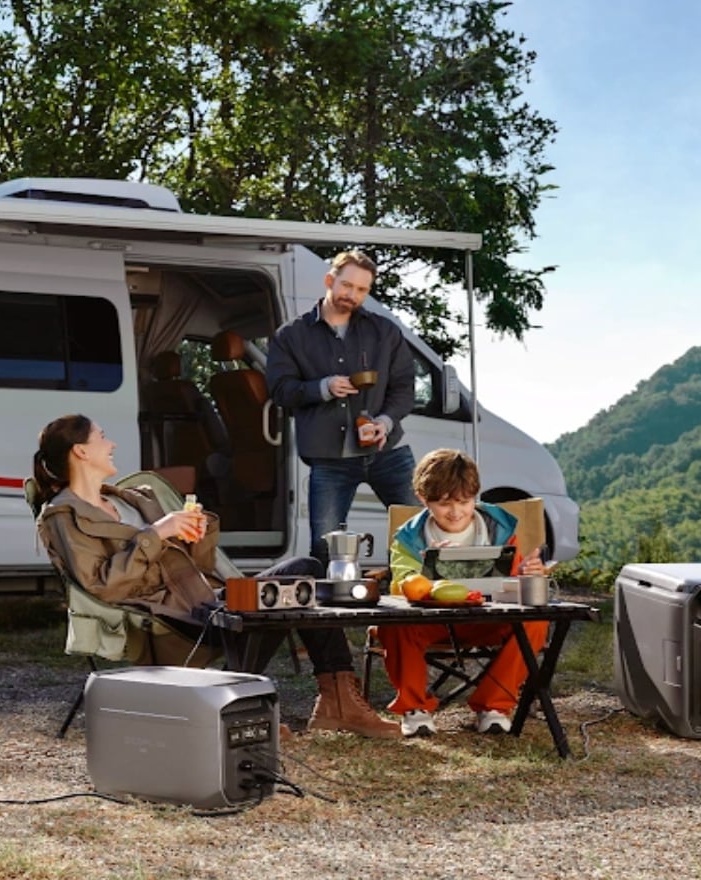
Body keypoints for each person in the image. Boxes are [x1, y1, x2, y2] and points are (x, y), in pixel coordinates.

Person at [32, 414, 398, 739]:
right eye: (102, 437)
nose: (111, 444)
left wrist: (195, 532)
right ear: (81, 451)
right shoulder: (64, 516)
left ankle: (336, 700)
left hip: (203, 598)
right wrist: (157, 533)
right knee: (263, 606)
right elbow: (103, 585)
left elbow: (200, 567)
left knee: (305, 570)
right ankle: (240, 706)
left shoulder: (129, 498)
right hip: (167, 617)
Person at [381, 448, 549, 737]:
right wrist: (430, 569)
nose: (456, 512)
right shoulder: (409, 537)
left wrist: (525, 573)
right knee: (394, 624)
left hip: (486, 618)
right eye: (444, 504)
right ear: (423, 499)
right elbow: (401, 584)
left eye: (464, 502)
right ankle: (415, 708)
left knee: (536, 621)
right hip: (431, 623)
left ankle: (494, 706)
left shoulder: (500, 526)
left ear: (475, 496)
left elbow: (510, 581)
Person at [266, 249, 417, 562]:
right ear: (329, 280)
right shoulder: (290, 336)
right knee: (325, 550)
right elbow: (280, 391)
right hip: (328, 459)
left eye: (362, 289)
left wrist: (385, 421)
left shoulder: (385, 331)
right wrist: (323, 388)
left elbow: (404, 388)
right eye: (347, 285)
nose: (353, 295)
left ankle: (417, 591)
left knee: (420, 535)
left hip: (387, 453)